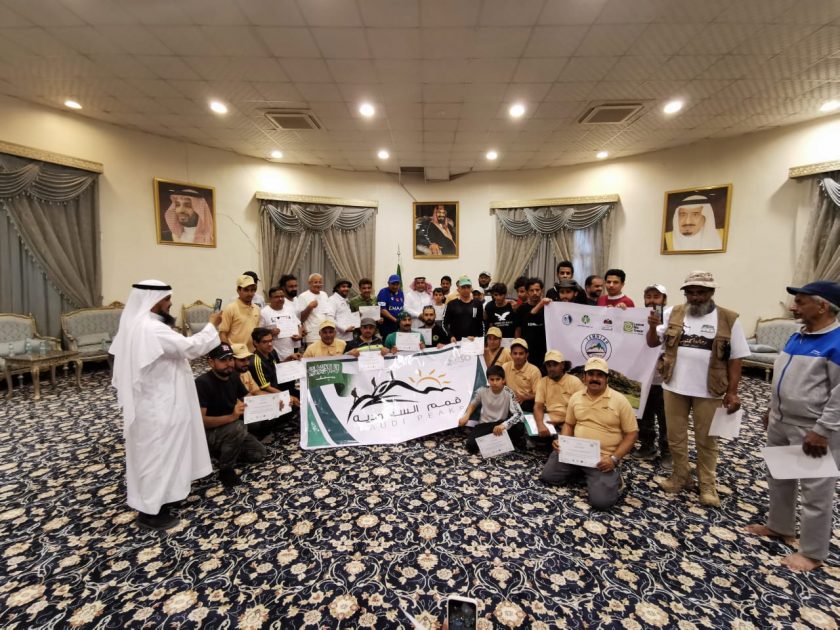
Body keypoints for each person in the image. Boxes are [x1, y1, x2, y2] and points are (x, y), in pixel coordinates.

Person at [111, 279, 222, 530]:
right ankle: (150, 513)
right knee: (157, 457)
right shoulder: (151, 329)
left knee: (161, 455)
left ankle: (163, 498)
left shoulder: (140, 325)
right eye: (167, 299)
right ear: (153, 301)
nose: (170, 303)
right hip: (158, 405)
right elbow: (191, 348)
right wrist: (212, 325)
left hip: (155, 402)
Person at [745, 281, 840, 572]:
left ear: (821, 306)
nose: (792, 307)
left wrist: (822, 431)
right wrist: (771, 408)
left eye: (800, 302)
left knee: (815, 491)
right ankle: (780, 525)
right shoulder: (798, 336)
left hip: (813, 428)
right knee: (780, 477)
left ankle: (812, 552)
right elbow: (783, 378)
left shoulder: (836, 342)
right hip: (781, 420)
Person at [646, 270, 749, 507]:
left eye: (701, 292)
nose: (695, 297)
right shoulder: (673, 313)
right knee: (675, 436)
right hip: (674, 385)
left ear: (711, 292)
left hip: (710, 390)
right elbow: (652, 343)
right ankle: (680, 475)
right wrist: (652, 327)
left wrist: (733, 392)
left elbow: (736, 359)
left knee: (707, 439)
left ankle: (707, 485)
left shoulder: (728, 319)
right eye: (690, 292)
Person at [541, 358, 638, 510]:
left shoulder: (620, 401)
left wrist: (614, 459)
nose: (594, 378)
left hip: (602, 459)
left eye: (600, 375)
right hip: (575, 452)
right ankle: (585, 474)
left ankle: (614, 479)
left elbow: (632, 434)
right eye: (591, 374)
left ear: (606, 379)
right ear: (584, 377)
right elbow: (569, 424)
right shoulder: (576, 397)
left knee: (601, 503)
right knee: (548, 476)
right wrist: (563, 441)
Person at [195, 343, 267, 488]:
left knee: (259, 453)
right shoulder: (202, 383)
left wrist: (275, 403)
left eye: (230, 359)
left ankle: (221, 451)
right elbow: (200, 422)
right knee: (239, 426)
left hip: (229, 427)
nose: (228, 364)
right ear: (211, 362)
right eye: (223, 360)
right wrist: (232, 417)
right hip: (207, 433)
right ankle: (226, 469)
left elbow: (248, 399)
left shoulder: (233, 376)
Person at [631, 283, 671, 469]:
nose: (652, 300)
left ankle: (667, 452)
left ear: (664, 299)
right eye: (648, 297)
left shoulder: (671, 316)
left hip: (664, 379)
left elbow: (656, 341)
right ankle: (647, 446)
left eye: (656, 296)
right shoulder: (638, 316)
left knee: (666, 418)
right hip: (643, 377)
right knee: (643, 415)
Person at [457, 365, 526, 454]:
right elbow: (473, 403)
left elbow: (519, 414)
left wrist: (504, 425)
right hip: (485, 425)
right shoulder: (482, 390)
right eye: (492, 379)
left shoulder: (509, 392)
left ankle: (498, 442)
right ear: (488, 380)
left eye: (498, 379)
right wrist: (467, 415)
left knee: (520, 426)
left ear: (503, 380)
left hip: (500, 424)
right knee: (471, 446)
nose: (494, 382)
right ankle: (499, 442)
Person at [533, 350, 585, 437]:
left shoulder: (574, 382)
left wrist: (562, 420)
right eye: (548, 365)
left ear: (563, 365)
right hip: (548, 421)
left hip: (569, 422)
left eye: (555, 365)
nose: (551, 369)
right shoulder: (543, 382)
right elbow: (538, 406)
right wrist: (540, 425)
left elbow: (582, 409)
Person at [219, 274, 262, 350]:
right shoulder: (230, 308)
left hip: (253, 352)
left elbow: (257, 334)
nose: (250, 293)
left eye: (252, 290)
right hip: (236, 354)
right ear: (238, 290)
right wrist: (229, 353)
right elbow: (222, 334)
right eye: (246, 290)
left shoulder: (257, 309)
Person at [259, 286, 302, 361]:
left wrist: (300, 335)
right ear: (270, 298)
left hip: (291, 352)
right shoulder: (264, 312)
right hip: (273, 353)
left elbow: (299, 325)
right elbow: (259, 333)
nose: (280, 299)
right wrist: (270, 333)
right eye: (277, 297)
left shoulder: (289, 309)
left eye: (282, 296)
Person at [514, 277, 548, 368]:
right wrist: (517, 345)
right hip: (527, 352)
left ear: (542, 291)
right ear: (527, 292)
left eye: (537, 290)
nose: (535, 293)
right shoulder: (521, 309)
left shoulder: (548, 308)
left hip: (544, 351)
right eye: (531, 290)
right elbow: (518, 329)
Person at [501, 338, 541, 412]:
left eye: (521, 353)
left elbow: (539, 395)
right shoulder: (505, 367)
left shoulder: (534, 371)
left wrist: (524, 397)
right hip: (509, 402)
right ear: (511, 354)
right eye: (515, 353)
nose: (518, 356)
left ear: (527, 355)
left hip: (527, 404)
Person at [443, 276, 484, 342]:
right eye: (463, 287)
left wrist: (478, 338)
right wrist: (450, 336)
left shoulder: (478, 303)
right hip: (456, 342)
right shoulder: (451, 304)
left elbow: (481, 324)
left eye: (468, 287)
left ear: (471, 289)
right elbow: (444, 324)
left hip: (473, 341)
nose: (466, 289)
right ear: (458, 289)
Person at [296, 273, 330, 344]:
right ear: (309, 283)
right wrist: (310, 307)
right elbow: (300, 318)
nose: (318, 284)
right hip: (312, 335)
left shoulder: (324, 294)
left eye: (320, 282)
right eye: (315, 282)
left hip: (326, 332)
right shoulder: (303, 296)